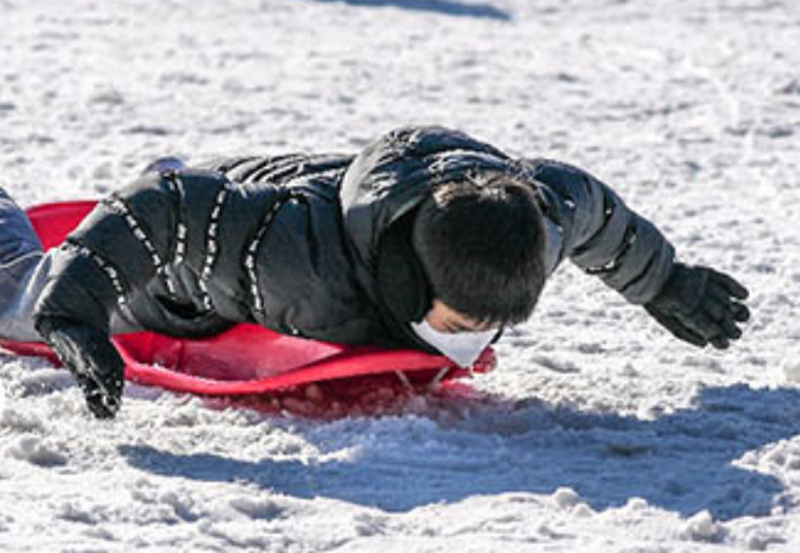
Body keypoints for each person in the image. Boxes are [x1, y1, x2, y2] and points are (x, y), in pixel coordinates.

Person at [0, 126, 750, 419]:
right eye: (459, 323)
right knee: (17, 299)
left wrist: (669, 282)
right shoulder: (297, 263)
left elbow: (597, 214)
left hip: (290, 193)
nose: (473, 340)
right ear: (414, 279)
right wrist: (74, 308)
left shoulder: (537, 217)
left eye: (491, 325)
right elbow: (160, 209)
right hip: (192, 244)